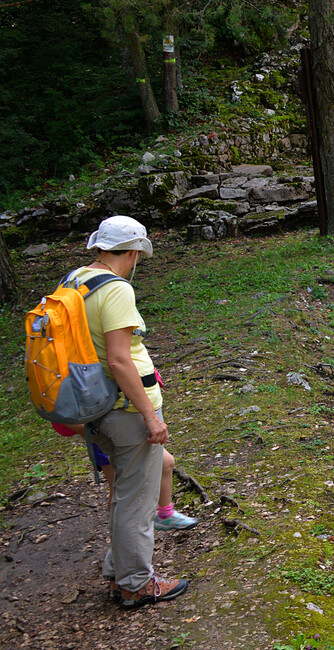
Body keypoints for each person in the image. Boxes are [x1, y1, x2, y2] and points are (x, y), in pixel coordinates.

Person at [72, 215, 188, 608]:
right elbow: (121, 360)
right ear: (136, 250)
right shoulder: (116, 289)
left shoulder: (75, 281)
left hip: (95, 405)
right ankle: (136, 583)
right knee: (138, 502)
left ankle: (116, 568)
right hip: (124, 410)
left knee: (123, 494)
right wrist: (151, 417)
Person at [53, 421, 199, 530]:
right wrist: (93, 434)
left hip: (125, 426)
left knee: (166, 463)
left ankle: (165, 514)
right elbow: (63, 414)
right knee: (119, 488)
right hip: (106, 433)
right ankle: (121, 543)